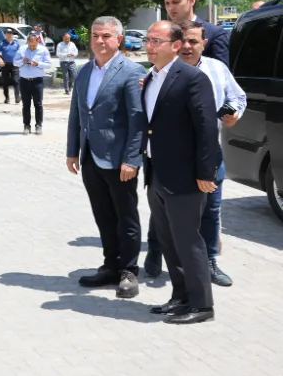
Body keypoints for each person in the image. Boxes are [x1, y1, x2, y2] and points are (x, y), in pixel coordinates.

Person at [143, 22, 246, 287]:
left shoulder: (216, 69)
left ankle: (209, 261)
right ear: (177, 43)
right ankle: (156, 252)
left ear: (204, 44)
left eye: (195, 42)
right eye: (185, 41)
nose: (188, 47)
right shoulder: (160, 72)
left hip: (207, 154)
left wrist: (234, 112)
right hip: (171, 158)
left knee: (211, 209)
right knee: (162, 210)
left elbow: (238, 97)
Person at [141, 21, 220, 325]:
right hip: (157, 173)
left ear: (176, 46)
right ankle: (180, 296)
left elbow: (206, 129)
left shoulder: (192, 79)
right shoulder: (150, 78)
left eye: (156, 41)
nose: (149, 46)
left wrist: (206, 171)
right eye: (148, 40)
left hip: (187, 175)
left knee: (188, 240)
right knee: (168, 240)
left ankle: (202, 305)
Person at [65, 17, 146, 298]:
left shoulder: (131, 71)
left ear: (119, 39)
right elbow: (77, 113)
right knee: (103, 216)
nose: (100, 41)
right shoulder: (84, 72)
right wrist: (72, 150)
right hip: (90, 157)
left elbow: (137, 120)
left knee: (126, 217)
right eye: (96, 35)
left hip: (119, 160)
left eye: (107, 36)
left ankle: (129, 271)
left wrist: (132, 159)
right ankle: (110, 265)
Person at [163, 0, 229, 64]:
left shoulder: (214, 33)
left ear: (192, 0)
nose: (171, 7)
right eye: (167, 3)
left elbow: (221, 72)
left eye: (176, 2)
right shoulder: (163, 33)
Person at [13, 32, 52, 135]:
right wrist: (22, 60)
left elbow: (49, 65)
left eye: (33, 44)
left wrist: (38, 64)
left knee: (38, 104)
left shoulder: (43, 50)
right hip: (24, 81)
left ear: (37, 41)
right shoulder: (22, 49)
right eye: (30, 44)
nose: (31, 46)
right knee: (26, 105)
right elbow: (14, 62)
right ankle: (26, 126)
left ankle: (38, 126)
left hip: (37, 81)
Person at [0, 29, 20, 104]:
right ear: (5, 34)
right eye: (8, 33)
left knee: (16, 81)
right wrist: (0, 60)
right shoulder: (2, 43)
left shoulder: (16, 43)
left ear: (12, 35)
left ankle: (17, 97)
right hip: (5, 65)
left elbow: (20, 52)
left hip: (14, 65)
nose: (9, 34)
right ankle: (7, 98)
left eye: (10, 33)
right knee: (5, 82)